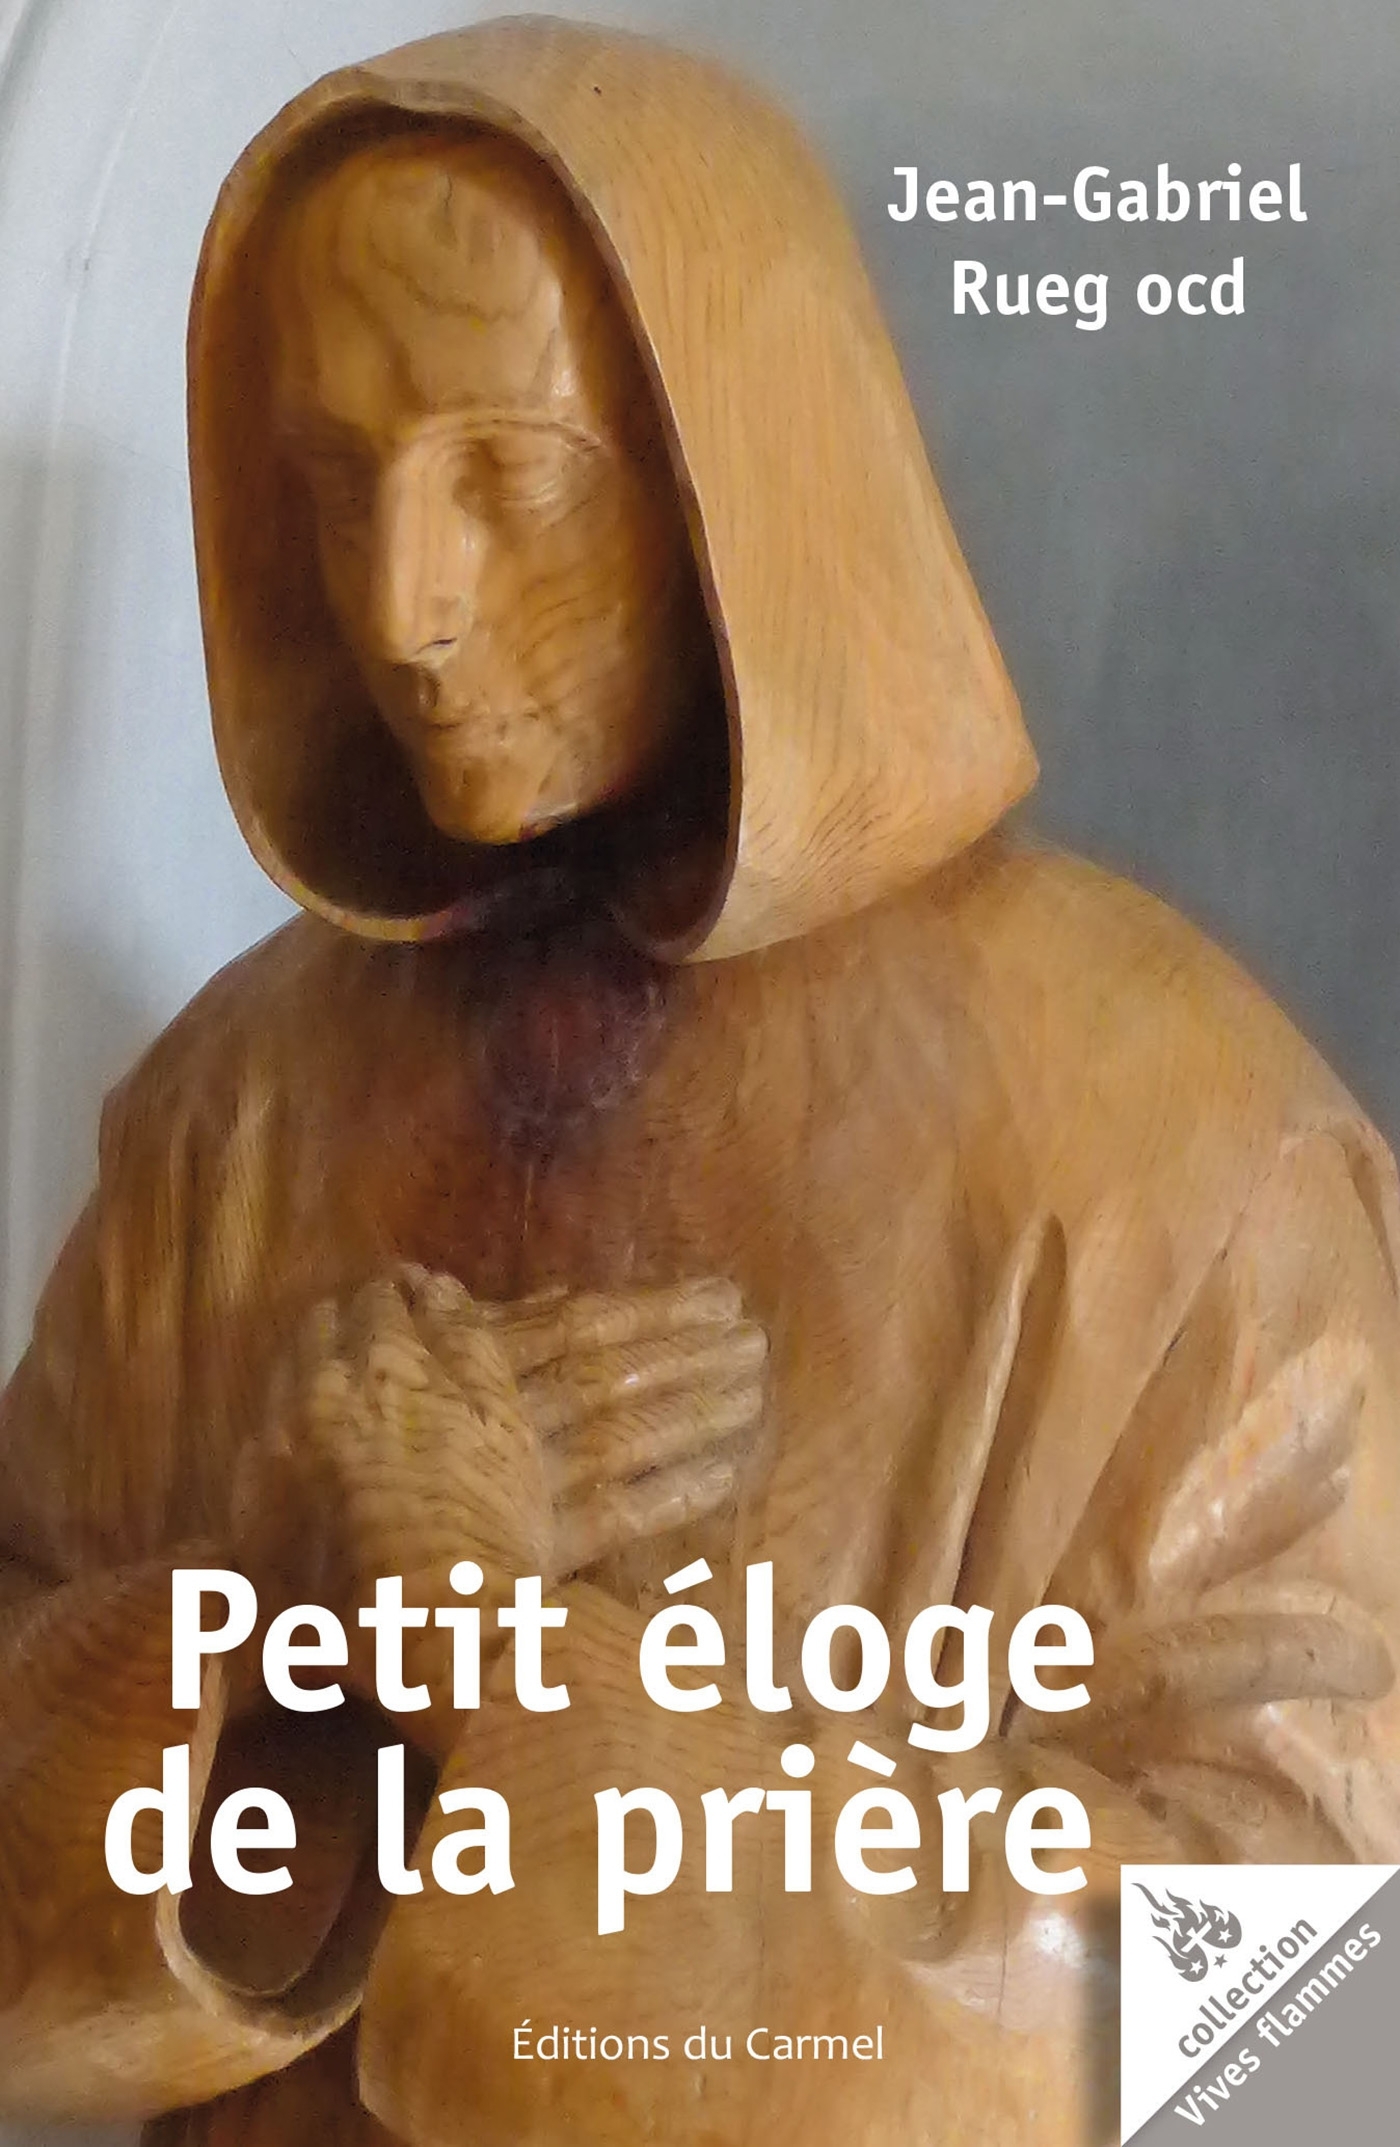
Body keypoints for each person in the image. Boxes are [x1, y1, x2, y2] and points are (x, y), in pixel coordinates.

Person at [2, 19, 1397, 2146]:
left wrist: (509, 1659)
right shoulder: (230, 1117)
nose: (406, 606)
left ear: (743, 471)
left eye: (511, 476)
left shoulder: (1180, 1140)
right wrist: (264, 1645)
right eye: (339, 482)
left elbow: (1313, 2028)